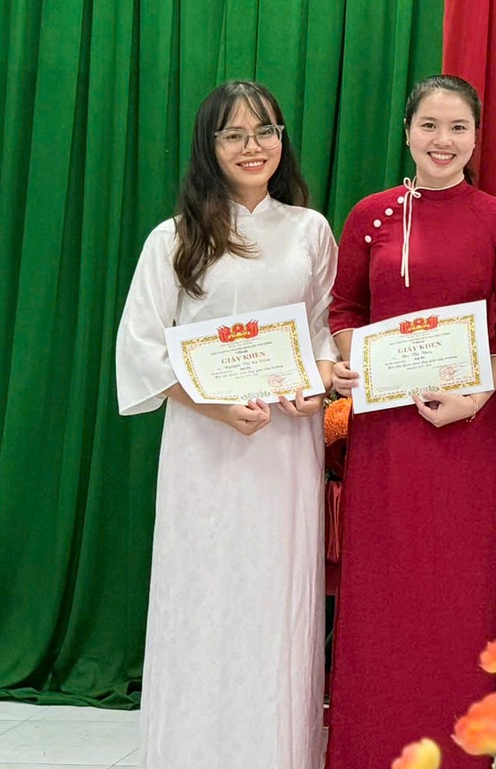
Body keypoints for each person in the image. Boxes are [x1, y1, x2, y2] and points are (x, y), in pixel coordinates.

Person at [113, 81, 340, 769]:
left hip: (285, 447)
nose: (252, 146)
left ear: (282, 141)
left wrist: (315, 386)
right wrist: (214, 406)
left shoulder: (309, 230)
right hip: (204, 446)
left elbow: (322, 331)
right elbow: (142, 348)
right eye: (234, 134)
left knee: (278, 598)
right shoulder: (174, 238)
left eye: (265, 131)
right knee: (202, 592)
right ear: (208, 147)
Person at [325, 75, 496, 769]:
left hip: (469, 433)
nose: (443, 141)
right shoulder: (371, 215)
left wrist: (477, 396)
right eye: (430, 126)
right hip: (386, 436)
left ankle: (461, 748)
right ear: (407, 131)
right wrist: (358, 357)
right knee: (384, 594)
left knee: (459, 593)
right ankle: (369, 746)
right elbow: (345, 308)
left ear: (476, 137)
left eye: (458, 128)